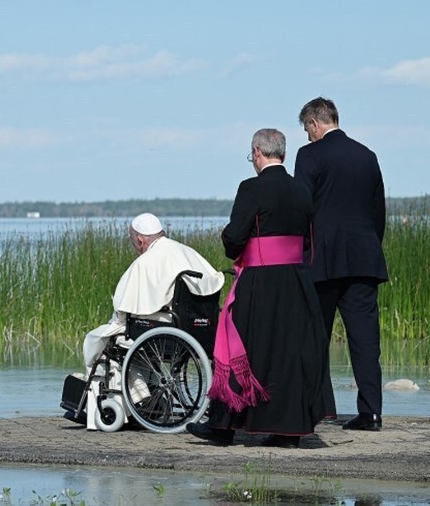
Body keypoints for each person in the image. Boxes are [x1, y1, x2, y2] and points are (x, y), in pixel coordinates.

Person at [187, 128, 333, 448]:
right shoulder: (301, 189)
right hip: (296, 282)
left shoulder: (251, 187)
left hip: (261, 281)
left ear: (257, 152)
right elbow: (309, 238)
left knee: (240, 349)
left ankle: (223, 427)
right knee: (288, 353)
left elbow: (235, 235)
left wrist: (231, 245)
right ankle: (288, 430)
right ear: (283, 152)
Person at [294, 97, 388, 432]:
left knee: (314, 336)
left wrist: (302, 251)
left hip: (322, 260)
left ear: (316, 124)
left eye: (307, 129)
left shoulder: (310, 156)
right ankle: (372, 412)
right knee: (365, 340)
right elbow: (378, 213)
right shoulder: (367, 155)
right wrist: (369, 245)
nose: (307, 136)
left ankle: (319, 409)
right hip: (364, 258)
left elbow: (303, 206)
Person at [81, 213, 224, 375]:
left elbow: (123, 312)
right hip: (199, 328)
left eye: (132, 241)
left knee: (95, 340)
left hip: (165, 330)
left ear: (140, 241)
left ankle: (137, 394)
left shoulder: (146, 262)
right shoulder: (188, 252)